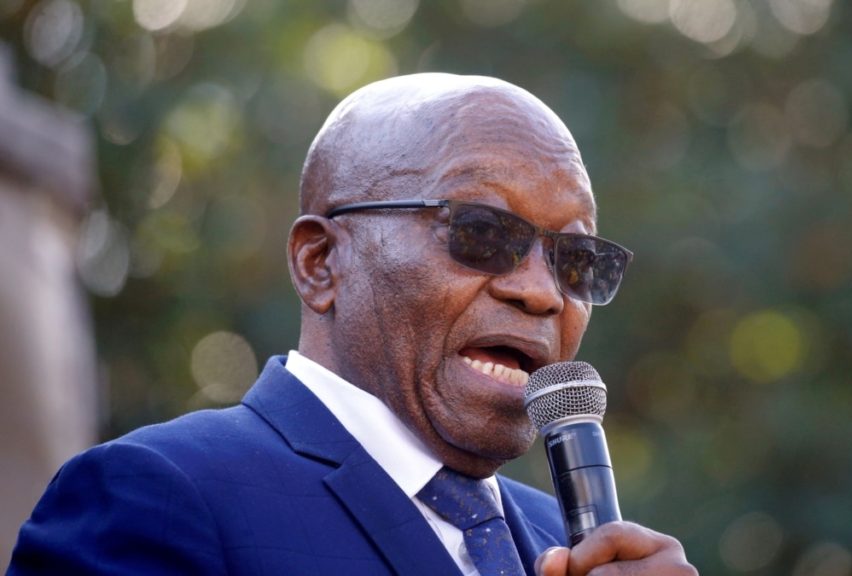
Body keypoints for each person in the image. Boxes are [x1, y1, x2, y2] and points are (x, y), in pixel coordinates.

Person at [8, 73, 697, 575]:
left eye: (576, 260)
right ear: (320, 263)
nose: (543, 293)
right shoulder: (158, 499)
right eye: (482, 232)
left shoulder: (568, 547)